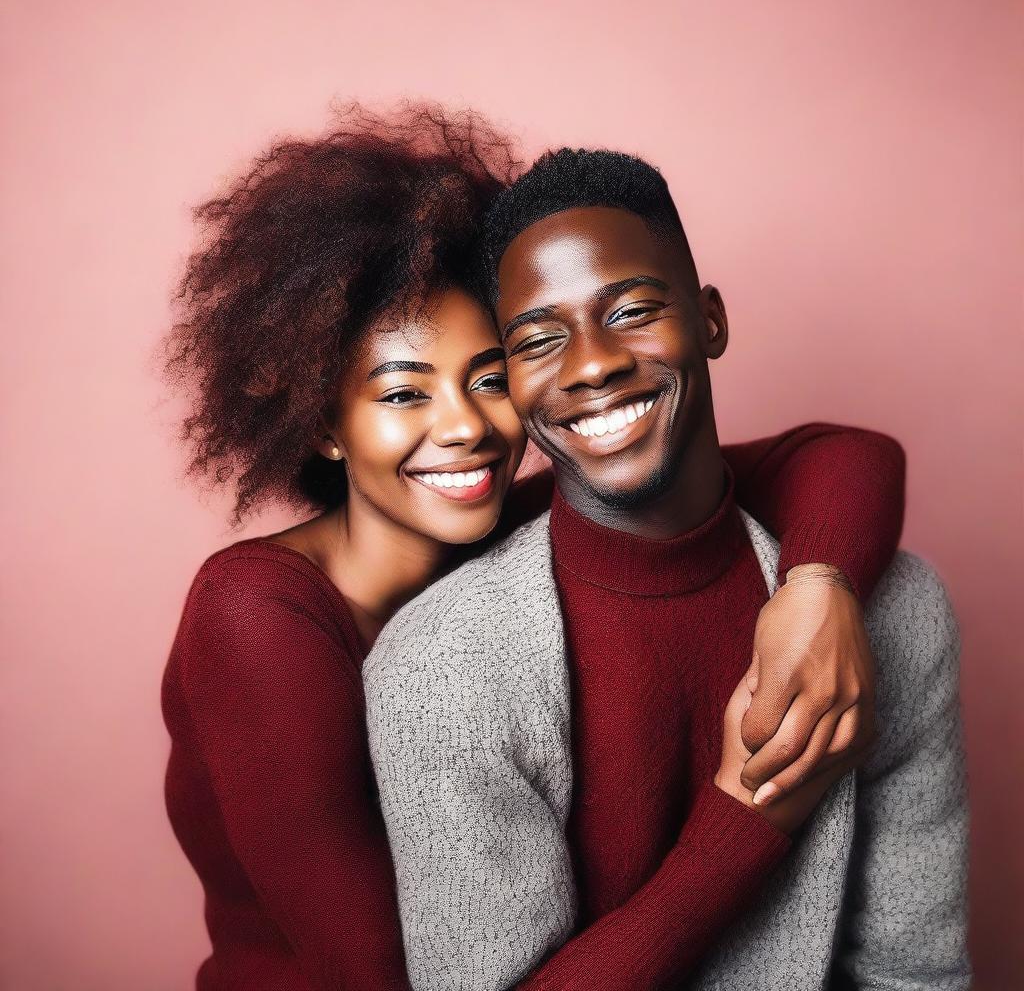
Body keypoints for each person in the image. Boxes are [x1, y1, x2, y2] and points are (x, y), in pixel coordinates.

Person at [161, 106, 906, 991]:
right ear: (325, 424)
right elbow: (375, 978)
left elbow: (842, 455)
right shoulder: (260, 618)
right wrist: (749, 816)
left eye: (488, 378)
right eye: (403, 394)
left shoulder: (514, 521)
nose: (466, 429)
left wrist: (817, 587)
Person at [364, 148, 970, 990]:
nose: (591, 364)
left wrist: (821, 582)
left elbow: (915, 975)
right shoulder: (440, 668)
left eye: (632, 310)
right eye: (539, 341)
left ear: (710, 320)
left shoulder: (895, 614)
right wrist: (748, 821)